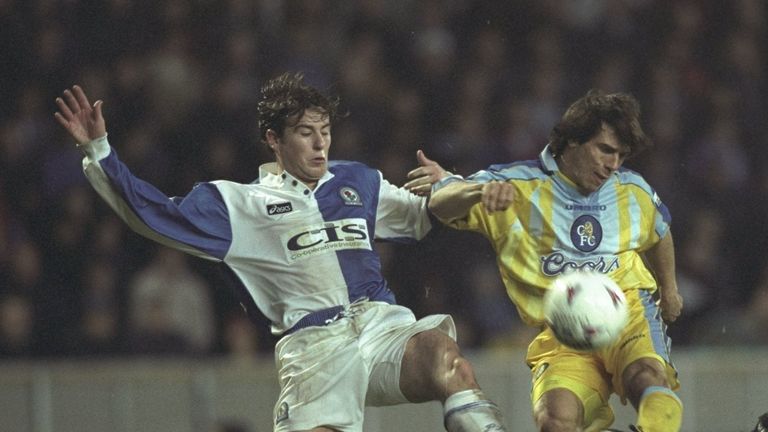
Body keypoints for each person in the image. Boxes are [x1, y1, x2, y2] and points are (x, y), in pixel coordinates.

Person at [54, 73, 508, 432]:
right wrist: (100, 150)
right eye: (305, 133)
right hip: (315, 349)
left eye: (326, 131)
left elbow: (426, 214)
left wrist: (467, 188)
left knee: (443, 356)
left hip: (379, 327)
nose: (320, 144)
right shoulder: (240, 204)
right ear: (273, 140)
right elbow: (153, 214)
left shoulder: (358, 181)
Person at [428, 90, 684, 432]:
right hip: (562, 329)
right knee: (555, 421)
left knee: (648, 380)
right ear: (572, 141)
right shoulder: (516, 184)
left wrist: (670, 289)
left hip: (629, 311)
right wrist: (476, 192)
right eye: (605, 150)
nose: (614, 165)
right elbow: (440, 204)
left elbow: (659, 231)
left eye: (621, 156)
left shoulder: (632, 190)